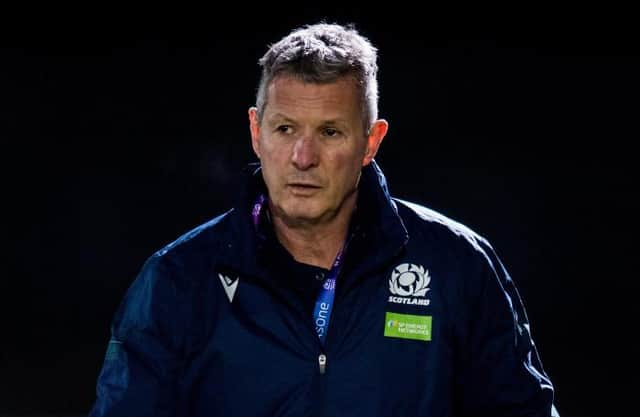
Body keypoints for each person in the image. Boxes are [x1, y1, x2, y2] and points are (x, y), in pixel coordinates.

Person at [89, 22, 560, 417]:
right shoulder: (179, 279)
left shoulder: (457, 266)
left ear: (371, 142)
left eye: (330, 132)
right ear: (256, 132)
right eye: (285, 128)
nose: (303, 156)